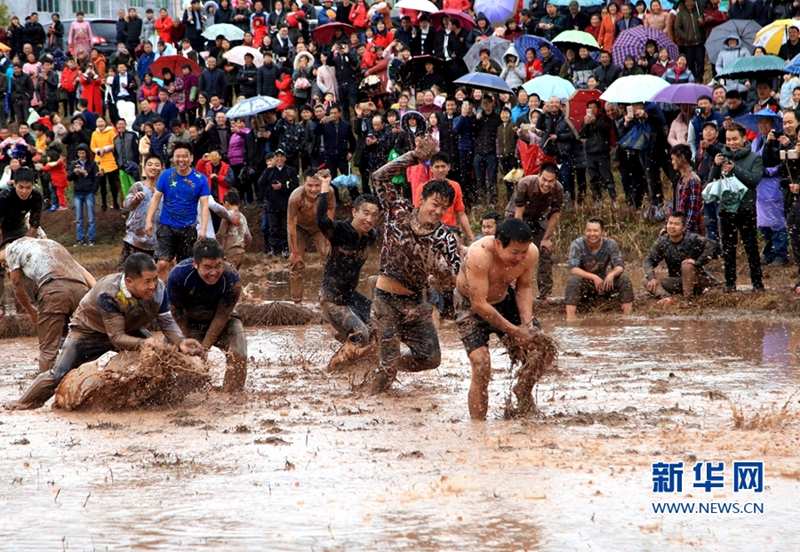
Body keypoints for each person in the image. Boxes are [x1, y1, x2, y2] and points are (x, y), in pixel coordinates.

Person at [8, 254, 203, 410]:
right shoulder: (109, 293)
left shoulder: (159, 289)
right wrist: (143, 343)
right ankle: (21, 403)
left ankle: (155, 400)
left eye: (154, 279)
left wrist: (181, 341)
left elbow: (166, 321)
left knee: (158, 359)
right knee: (58, 374)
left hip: (129, 329)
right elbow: (116, 338)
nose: (153, 285)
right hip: (88, 332)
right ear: (130, 282)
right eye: (147, 281)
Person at [366, 135, 461, 393]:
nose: (439, 211)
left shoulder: (445, 238)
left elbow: (456, 276)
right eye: (435, 204)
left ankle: (376, 364)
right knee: (388, 367)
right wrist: (415, 158)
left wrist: (442, 280)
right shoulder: (398, 211)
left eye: (444, 208)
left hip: (417, 302)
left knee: (430, 358)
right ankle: (372, 401)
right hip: (386, 298)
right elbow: (379, 177)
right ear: (422, 200)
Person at [454, 218, 542, 420]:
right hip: (471, 305)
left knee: (540, 349)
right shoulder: (479, 255)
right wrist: (514, 331)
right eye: (514, 252)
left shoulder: (531, 254)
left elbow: (524, 287)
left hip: (504, 298)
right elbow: (479, 304)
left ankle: (523, 389)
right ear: (498, 244)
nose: (520, 257)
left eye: (523, 252)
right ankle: (478, 427)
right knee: (481, 364)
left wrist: (527, 326)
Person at [0, 238, 94, 374]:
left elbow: (17, 287)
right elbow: (82, 271)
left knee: (48, 350)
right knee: (81, 340)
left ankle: (46, 390)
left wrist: (31, 312)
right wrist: (97, 294)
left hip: (54, 291)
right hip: (80, 289)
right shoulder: (51, 244)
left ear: (3, 263)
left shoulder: (12, 250)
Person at [317, 175, 380, 368]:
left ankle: (356, 365)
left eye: (374, 215)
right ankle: (331, 369)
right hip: (332, 299)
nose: (369, 219)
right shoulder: (339, 231)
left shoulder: (371, 236)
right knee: (361, 334)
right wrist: (325, 187)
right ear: (354, 212)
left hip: (351, 297)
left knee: (379, 326)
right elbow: (321, 219)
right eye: (365, 213)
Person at [167, 238, 246, 392]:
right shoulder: (178, 276)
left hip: (223, 321)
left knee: (239, 352)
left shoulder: (232, 279)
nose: (213, 272)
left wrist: (204, 348)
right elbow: (175, 311)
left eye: (218, 266)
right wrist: (186, 341)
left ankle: (232, 395)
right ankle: (179, 392)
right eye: (207, 267)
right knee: (168, 352)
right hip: (188, 320)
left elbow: (222, 316)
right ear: (195, 264)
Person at [708, 121, 765, 292]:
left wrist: (735, 170)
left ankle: (757, 283)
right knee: (728, 248)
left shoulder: (755, 158)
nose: (731, 143)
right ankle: (729, 283)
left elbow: (754, 180)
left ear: (743, 138)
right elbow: (712, 183)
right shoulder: (722, 155)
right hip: (726, 208)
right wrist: (715, 166)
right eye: (728, 139)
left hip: (746, 208)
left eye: (735, 139)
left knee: (751, 247)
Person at [145, 142, 211, 283]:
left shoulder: (200, 179)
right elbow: (156, 198)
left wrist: (203, 229)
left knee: (184, 266)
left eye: (184, 156)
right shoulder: (166, 175)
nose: (181, 160)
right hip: (166, 225)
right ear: (173, 158)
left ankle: (180, 296)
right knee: (162, 263)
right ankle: (161, 295)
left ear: (191, 158)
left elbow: (205, 206)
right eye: (177, 156)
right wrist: (148, 220)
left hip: (188, 227)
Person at [509, 164, 564, 300]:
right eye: (544, 180)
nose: (546, 184)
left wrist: (546, 238)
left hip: (537, 219)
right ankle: (511, 291)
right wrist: (519, 237)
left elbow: (555, 215)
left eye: (551, 181)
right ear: (538, 175)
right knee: (514, 253)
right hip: (515, 218)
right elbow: (519, 211)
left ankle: (545, 293)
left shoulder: (558, 189)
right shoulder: (525, 183)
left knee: (545, 251)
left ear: (556, 181)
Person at [564, 217, 633, 321]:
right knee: (573, 280)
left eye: (595, 230)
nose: (592, 234)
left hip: (605, 283)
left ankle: (627, 317)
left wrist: (611, 275)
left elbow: (619, 266)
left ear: (602, 232)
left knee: (624, 277)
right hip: (585, 283)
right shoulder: (577, 244)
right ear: (584, 232)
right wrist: (593, 277)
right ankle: (570, 319)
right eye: (589, 230)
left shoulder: (610, 244)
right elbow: (573, 269)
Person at [643, 211, 718, 306]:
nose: (672, 227)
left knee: (687, 265)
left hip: (696, 281)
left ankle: (687, 300)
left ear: (684, 228)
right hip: (677, 281)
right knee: (647, 280)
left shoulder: (692, 238)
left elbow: (712, 244)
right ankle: (666, 297)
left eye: (676, 224)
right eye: (670, 223)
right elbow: (648, 261)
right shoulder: (662, 241)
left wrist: (697, 262)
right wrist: (652, 277)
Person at [287, 168, 335, 304]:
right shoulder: (295, 198)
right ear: (303, 184)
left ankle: (327, 299)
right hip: (299, 228)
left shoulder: (329, 192)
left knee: (329, 258)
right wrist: (295, 251)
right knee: (295, 263)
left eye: (317, 185)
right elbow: (291, 225)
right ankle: (297, 302)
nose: (314, 189)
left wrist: (328, 240)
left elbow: (331, 212)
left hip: (320, 226)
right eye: (310, 186)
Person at [0, 168, 42, 315]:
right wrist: (3, 251)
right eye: (21, 187)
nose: (24, 191)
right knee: (1, 264)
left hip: (19, 228)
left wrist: (25, 247)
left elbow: (34, 225)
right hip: (2, 227)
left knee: (27, 261)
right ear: (15, 185)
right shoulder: (4, 196)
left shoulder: (36, 197)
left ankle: (27, 305)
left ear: (32, 186)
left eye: (28, 188)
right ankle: (0, 306)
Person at [120, 155, 163, 268]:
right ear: (144, 168)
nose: (153, 167)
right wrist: (135, 200)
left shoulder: (165, 190)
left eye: (157, 165)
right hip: (134, 239)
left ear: (162, 169)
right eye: (150, 164)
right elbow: (126, 205)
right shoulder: (138, 186)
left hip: (156, 242)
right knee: (124, 275)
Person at [259, 149, 298, 257]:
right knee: (273, 227)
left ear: (285, 158)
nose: (279, 159)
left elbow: (296, 186)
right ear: (275, 158)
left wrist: (283, 187)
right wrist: (268, 195)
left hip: (286, 204)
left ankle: (285, 247)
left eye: (282, 156)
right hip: (273, 204)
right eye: (277, 156)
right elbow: (261, 184)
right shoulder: (269, 171)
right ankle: (272, 248)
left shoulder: (290, 171)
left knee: (285, 227)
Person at [579, 99, 616, 206]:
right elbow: (581, 134)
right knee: (593, 178)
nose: (592, 110)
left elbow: (606, 129)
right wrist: (586, 124)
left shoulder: (604, 119)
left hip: (602, 152)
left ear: (598, 109)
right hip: (590, 152)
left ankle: (613, 200)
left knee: (607, 176)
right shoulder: (585, 121)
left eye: (594, 108)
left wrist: (595, 121)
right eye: (589, 108)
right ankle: (597, 200)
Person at [668, 144, 704, 234]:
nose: (672, 162)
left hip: (690, 233)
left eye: (673, 158)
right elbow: (674, 206)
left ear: (682, 158)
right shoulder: (680, 180)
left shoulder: (693, 180)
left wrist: (685, 230)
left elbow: (693, 210)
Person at [215, 190, 251, 270]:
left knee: (228, 277)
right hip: (241, 252)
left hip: (230, 252)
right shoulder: (243, 217)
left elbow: (221, 234)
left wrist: (215, 246)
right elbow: (248, 237)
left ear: (226, 203)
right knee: (235, 277)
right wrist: (243, 249)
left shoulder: (228, 216)